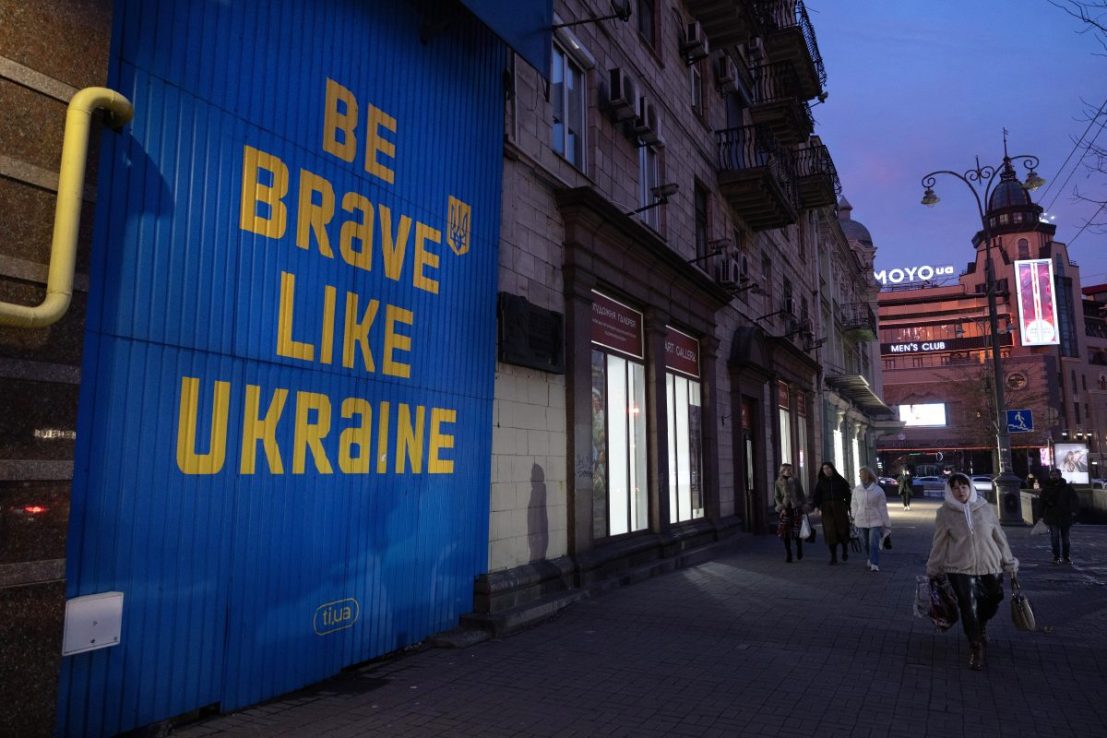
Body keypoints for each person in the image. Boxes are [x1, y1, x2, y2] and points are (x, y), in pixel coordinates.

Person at [925, 472, 1018, 671]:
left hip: (990, 564)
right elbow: (939, 542)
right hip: (959, 567)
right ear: (950, 491)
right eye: (956, 488)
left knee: (994, 598)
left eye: (964, 487)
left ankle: (981, 624)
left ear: (970, 488)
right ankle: (976, 646)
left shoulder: (985, 508)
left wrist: (1008, 560)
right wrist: (933, 566)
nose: (960, 491)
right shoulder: (944, 513)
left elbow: (999, 536)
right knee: (969, 606)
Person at [850, 466, 890, 572]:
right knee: (865, 543)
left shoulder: (878, 490)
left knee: (873, 542)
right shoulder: (857, 490)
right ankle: (870, 557)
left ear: (868, 474)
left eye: (862, 473)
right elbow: (854, 504)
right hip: (861, 519)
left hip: (875, 519)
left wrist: (885, 522)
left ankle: (874, 563)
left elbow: (882, 506)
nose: (860, 475)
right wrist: (854, 515)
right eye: (859, 473)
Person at [811, 462, 852, 564]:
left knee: (842, 529)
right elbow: (817, 496)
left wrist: (847, 506)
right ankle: (833, 557)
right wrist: (816, 507)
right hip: (827, 509)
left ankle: (844, 549)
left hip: (839, 507)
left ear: (832, 469)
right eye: (824, 469)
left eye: (828, 468)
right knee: (830, 531)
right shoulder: (821, 482)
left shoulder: (840, 480)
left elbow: (848, 495)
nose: (827, 470)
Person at [1040, 468, 1079, 564]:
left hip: (1065, 515)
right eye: (1052, 475)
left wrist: (1073, 511)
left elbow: (1074, 499)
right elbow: (1041, 502)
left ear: (1060, 475)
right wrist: (1040, 515)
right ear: (1050, 476)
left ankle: (1066, 556)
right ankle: (1056, 557)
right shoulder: (1046, 488)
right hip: (1052, 516)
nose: (1054, 476)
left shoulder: (1067, 487)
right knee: (1055, 537)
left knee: (1065, 538)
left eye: (1056, 474)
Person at [774, 463, 808, 563]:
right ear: (782, 471)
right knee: (785, 532)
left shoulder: (796, 481)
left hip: (796, 508)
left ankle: (799, 549)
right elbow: (777, 496)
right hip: (785, 509)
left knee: (797, 531)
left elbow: (801, 494)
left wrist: (803, 504)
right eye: (787, 469)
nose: (789, 471)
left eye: (790, 469)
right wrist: (781, 507)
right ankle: (788, 553)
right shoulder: (778, 482)